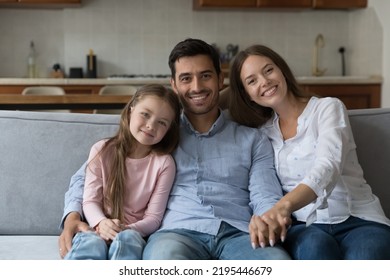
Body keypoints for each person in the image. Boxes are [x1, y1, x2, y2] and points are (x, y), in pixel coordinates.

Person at [58, 38, 291, 260]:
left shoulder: (252, 138)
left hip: (238, 232)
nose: (197, 86)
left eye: (206, 76)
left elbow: (265, 193)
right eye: (186, 78)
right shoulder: (158, 131)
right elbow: (91, 174)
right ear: (174, 85)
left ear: (221, 80)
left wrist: (267, 217)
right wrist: (72, 216)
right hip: (176, 233)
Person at [228, 44, 390, 260]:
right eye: (252, 81)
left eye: (268, 70)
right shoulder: (261, 134)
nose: (264, 81)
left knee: (367, 254)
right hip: (305, 225)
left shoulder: (327, 108)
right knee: (315, 250)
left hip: (358, 217)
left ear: (282, 71)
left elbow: (328, 166)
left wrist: (283, 207)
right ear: (247, 95)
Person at [64, 84, 181, 259]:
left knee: (126, 241)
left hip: (132, 233)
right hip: (97, 228)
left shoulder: (164, 163)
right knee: (90, 243)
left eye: (162, 122)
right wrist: (102, 223)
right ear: (131, 110)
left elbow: (154, 218)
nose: (150, 126)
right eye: (145, 114)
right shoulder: (101, 150)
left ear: (169, 129)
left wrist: (123, 229)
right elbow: (89, 200)